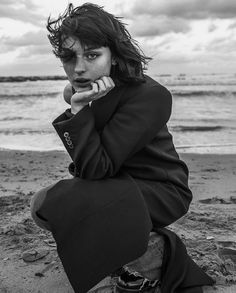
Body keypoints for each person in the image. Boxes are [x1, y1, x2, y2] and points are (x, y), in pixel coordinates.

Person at [30, 3, 214, 293]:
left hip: (160, 191)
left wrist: (78, 110)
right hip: (115, 185)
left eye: (92, 55)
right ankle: (133, 252)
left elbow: (95, 169)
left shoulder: (151, 96)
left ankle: (160, 256)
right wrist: (82, 105)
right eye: (69, 57)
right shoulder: (94, 90)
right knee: (44, 206)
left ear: (113, 55)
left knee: (60, 202)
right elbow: (91, 166)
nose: (78, 67)